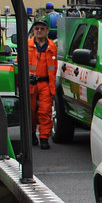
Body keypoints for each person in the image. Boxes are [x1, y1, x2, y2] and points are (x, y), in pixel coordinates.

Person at [27, 18, 57, 149]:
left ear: (47, 31)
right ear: (33, 30)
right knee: (31, 112)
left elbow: (53, 68)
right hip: (30, 83)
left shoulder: (52, 46)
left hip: (45, 83)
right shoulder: (27, 45)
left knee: (45, 112)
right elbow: (19, 64)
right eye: (37, 28)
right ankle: (32, 134)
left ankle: (44, 138)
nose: (39, 31)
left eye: (42, 28)